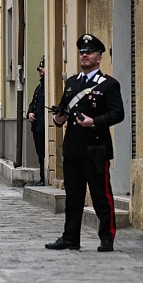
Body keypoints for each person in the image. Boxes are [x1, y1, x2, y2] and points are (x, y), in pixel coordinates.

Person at [45, 34, 124, 252]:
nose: (84, 56)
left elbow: (118, 114)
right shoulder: (72, 83)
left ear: (99, 58)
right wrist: (58, 119)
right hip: (73, 148)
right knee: (73, 197)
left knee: (101, 196)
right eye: (81, 53)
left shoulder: (108, 84)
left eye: (89, 53)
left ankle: (107, 238)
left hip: (96, 148)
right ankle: (70, 238)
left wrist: (93, 122)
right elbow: (62, 113)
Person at [27, 56, 46, 185]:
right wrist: (29, 114)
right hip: (37, 126)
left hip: (44, 126)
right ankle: (41, 178)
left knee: (44, 154)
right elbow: (32, 104)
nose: (40, 72)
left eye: (42, 69)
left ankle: (43, 179)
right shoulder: (39, 88)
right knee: (40, 154)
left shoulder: (47, 88)